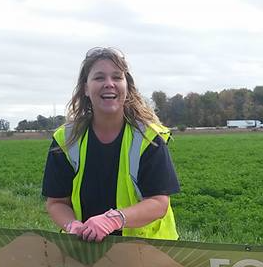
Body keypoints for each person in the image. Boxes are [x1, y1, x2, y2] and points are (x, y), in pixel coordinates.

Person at [42, 47, 180, 242]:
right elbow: (56, 202)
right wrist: (72, 226)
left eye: (117, 77)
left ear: (127, 86)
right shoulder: (66, 139)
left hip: (146, 253)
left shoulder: (148, 137)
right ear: (86, 88)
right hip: (86, 251)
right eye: (99, 78)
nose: (109, 84)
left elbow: (158, 203)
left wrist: (115, 219)